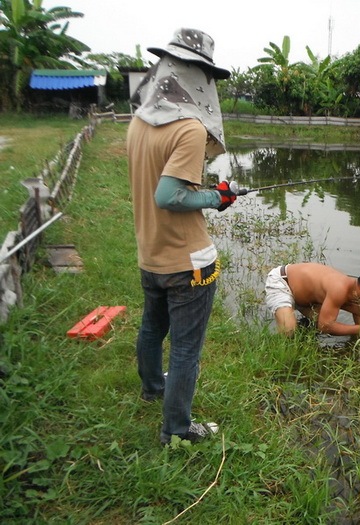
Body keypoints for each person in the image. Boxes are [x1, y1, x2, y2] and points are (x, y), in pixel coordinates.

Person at [126, 28, 238, 445]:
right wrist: (216, 196)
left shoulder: (139, 121)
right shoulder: (189, 129)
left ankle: (153, 386)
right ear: (198, 76)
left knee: (152, 328)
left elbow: (158, 185)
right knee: (187, 349)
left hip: (150, 255)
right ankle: (176, 429)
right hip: (188, 262)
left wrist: (206, 192)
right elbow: (169, 193)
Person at [265, 263, 360, 337]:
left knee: (323, 319)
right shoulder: (339, 288)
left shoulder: (359, 305)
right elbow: (325, 327)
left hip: (305, 299)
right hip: (283, 282)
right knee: (290, 331)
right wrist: (359, 329)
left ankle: (303, 324)